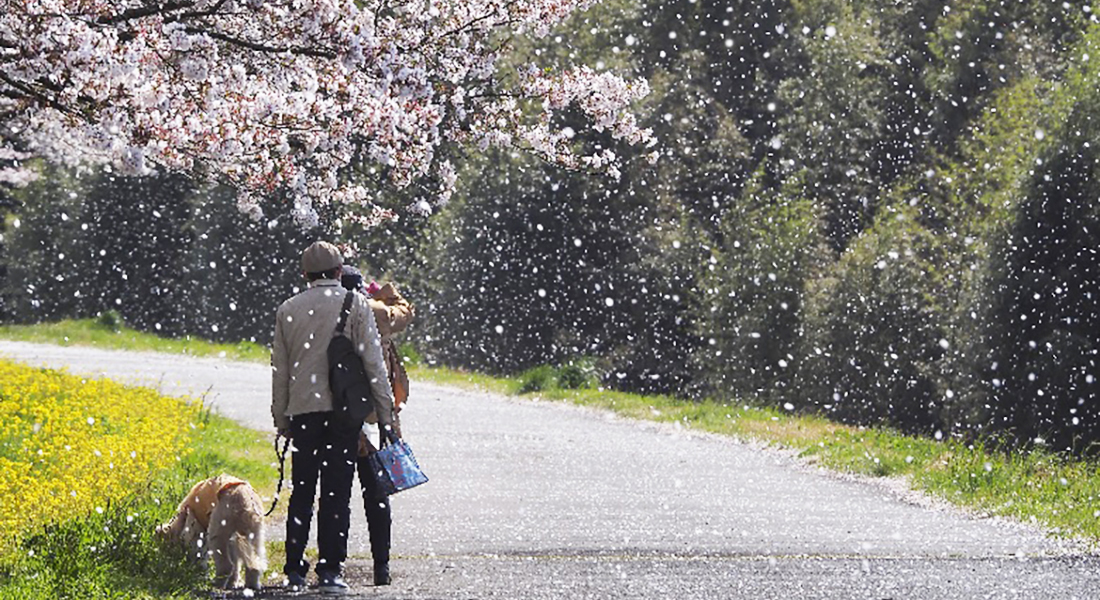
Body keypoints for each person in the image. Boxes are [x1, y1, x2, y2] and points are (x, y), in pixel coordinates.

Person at [271, 241, 397, 595]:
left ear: (305, 274)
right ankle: (330, 570)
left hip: (303, 412)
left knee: (302, 490)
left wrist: (281, 418)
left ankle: (294, 568)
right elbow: (374, 364)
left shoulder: (287, 309)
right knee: (336, 491)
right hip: (343, 412)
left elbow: (279, 371)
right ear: (340, 272)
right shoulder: (354, 303)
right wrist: (385, 415)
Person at [340, 265, 415, 586]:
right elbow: (406, 311)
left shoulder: (331, 310)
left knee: (336, 495)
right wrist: (383, 290)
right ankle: (381, 566)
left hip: (340, 416)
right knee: (377, 495)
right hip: (375, 417)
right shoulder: (378, 312)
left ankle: (334, 564)